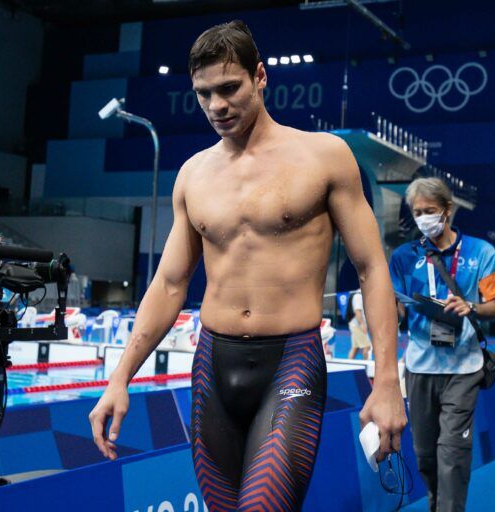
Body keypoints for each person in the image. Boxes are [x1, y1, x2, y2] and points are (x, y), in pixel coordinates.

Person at [88, 20, 407, 511]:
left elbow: (372, 269)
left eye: (229, 88)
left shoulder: (324, 157)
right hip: (212, 368)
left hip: (291, 363)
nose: (217, 105)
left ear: (260, 76)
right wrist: (120, 377)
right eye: (204, 94)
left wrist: (386, 381)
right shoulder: (193, 175)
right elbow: (170, 283)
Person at [389, 177, 495, 512]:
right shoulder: (403, 257)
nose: (423, 218)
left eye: (430, 210)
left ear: (448, 209)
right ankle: (437, 504)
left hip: (464, 366)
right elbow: (397, 310)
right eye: (417, 212)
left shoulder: (482, 252)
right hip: (419, 367)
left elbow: (494, 308)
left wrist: (471, 306)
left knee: (453, 451)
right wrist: (388, 305)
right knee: (425, 454)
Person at [348, 289, 372, 360]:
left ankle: (349, 363)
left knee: (355, 348)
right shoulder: (358, 296)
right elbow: (357, 311)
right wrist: (362, 324)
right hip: (357, 325)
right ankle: (366, 364)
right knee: (367, 347)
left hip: (357, 325)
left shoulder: (363, 295)